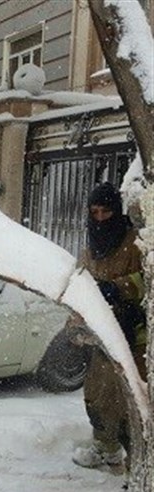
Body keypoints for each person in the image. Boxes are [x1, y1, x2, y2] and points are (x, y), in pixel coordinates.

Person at [71, 182, 147, 469]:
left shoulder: (135, 243)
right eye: (95, 212)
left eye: (107, 211)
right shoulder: (90, 250)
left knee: (134, 404)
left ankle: (137, 465)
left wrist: (120, 288)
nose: (101, 218)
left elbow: (146, 281)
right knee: (99, 397)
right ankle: (106, 448)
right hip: (103, 336)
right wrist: (75, 325)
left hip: (135, 339)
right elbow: (81, 289)